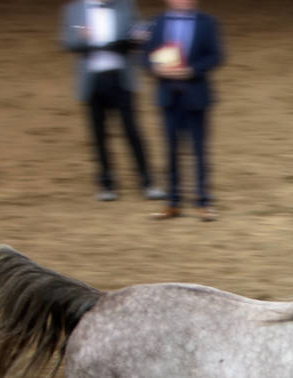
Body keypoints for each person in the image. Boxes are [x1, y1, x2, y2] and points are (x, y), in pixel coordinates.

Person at [61, 0, 163, 202]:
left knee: (132, 131)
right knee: (98, 134)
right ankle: (106, 184)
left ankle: (147, 182)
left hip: (121, 78)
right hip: (93, 81)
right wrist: (82, 39)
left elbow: (137, 31)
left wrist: (135, 37)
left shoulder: (125, 5)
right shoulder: (73, 10)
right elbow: (67, 40)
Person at [142, 0, 223, 221]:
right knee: (170, 150)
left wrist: (191, 70)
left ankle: (203, 202)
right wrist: (155, 68)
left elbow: (216, 56)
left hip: (196, 96)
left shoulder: (207, 23)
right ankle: (172, 202)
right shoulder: (156, 23)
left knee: (199, 151)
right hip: (168, 96)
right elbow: (145, 56)